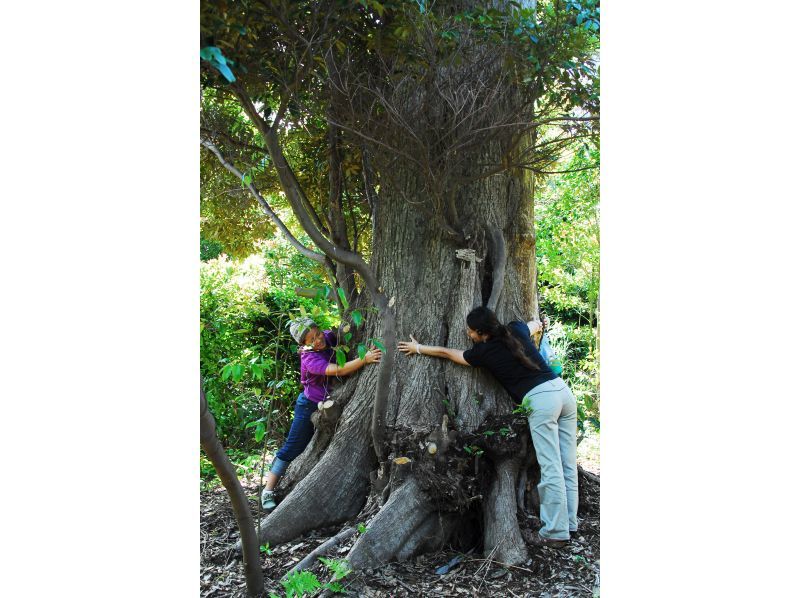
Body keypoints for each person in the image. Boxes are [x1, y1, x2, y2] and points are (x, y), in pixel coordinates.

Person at [397, 306, 578, 547]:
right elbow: (533, 325)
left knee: (551, 465)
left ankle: (556, 532)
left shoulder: (485, 352)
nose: (468, 335)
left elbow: (449, 353)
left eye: (470, 332)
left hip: (542, 401)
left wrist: (418, 348)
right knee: (566, 462)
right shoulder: (515, 329)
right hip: (562, 392)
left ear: (482, 332)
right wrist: (538, 323)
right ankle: (570, 523)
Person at [261, 317, 381, 511]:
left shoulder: (328, 337)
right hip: (309, 404)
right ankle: (267, 490)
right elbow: (338, 370)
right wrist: (364, 359)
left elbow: (336, 334)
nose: (318, 340)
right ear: (304, 345)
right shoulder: (309, 358)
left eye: (317, 334)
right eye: (311, 340)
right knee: (293, 447)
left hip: (334, 401)